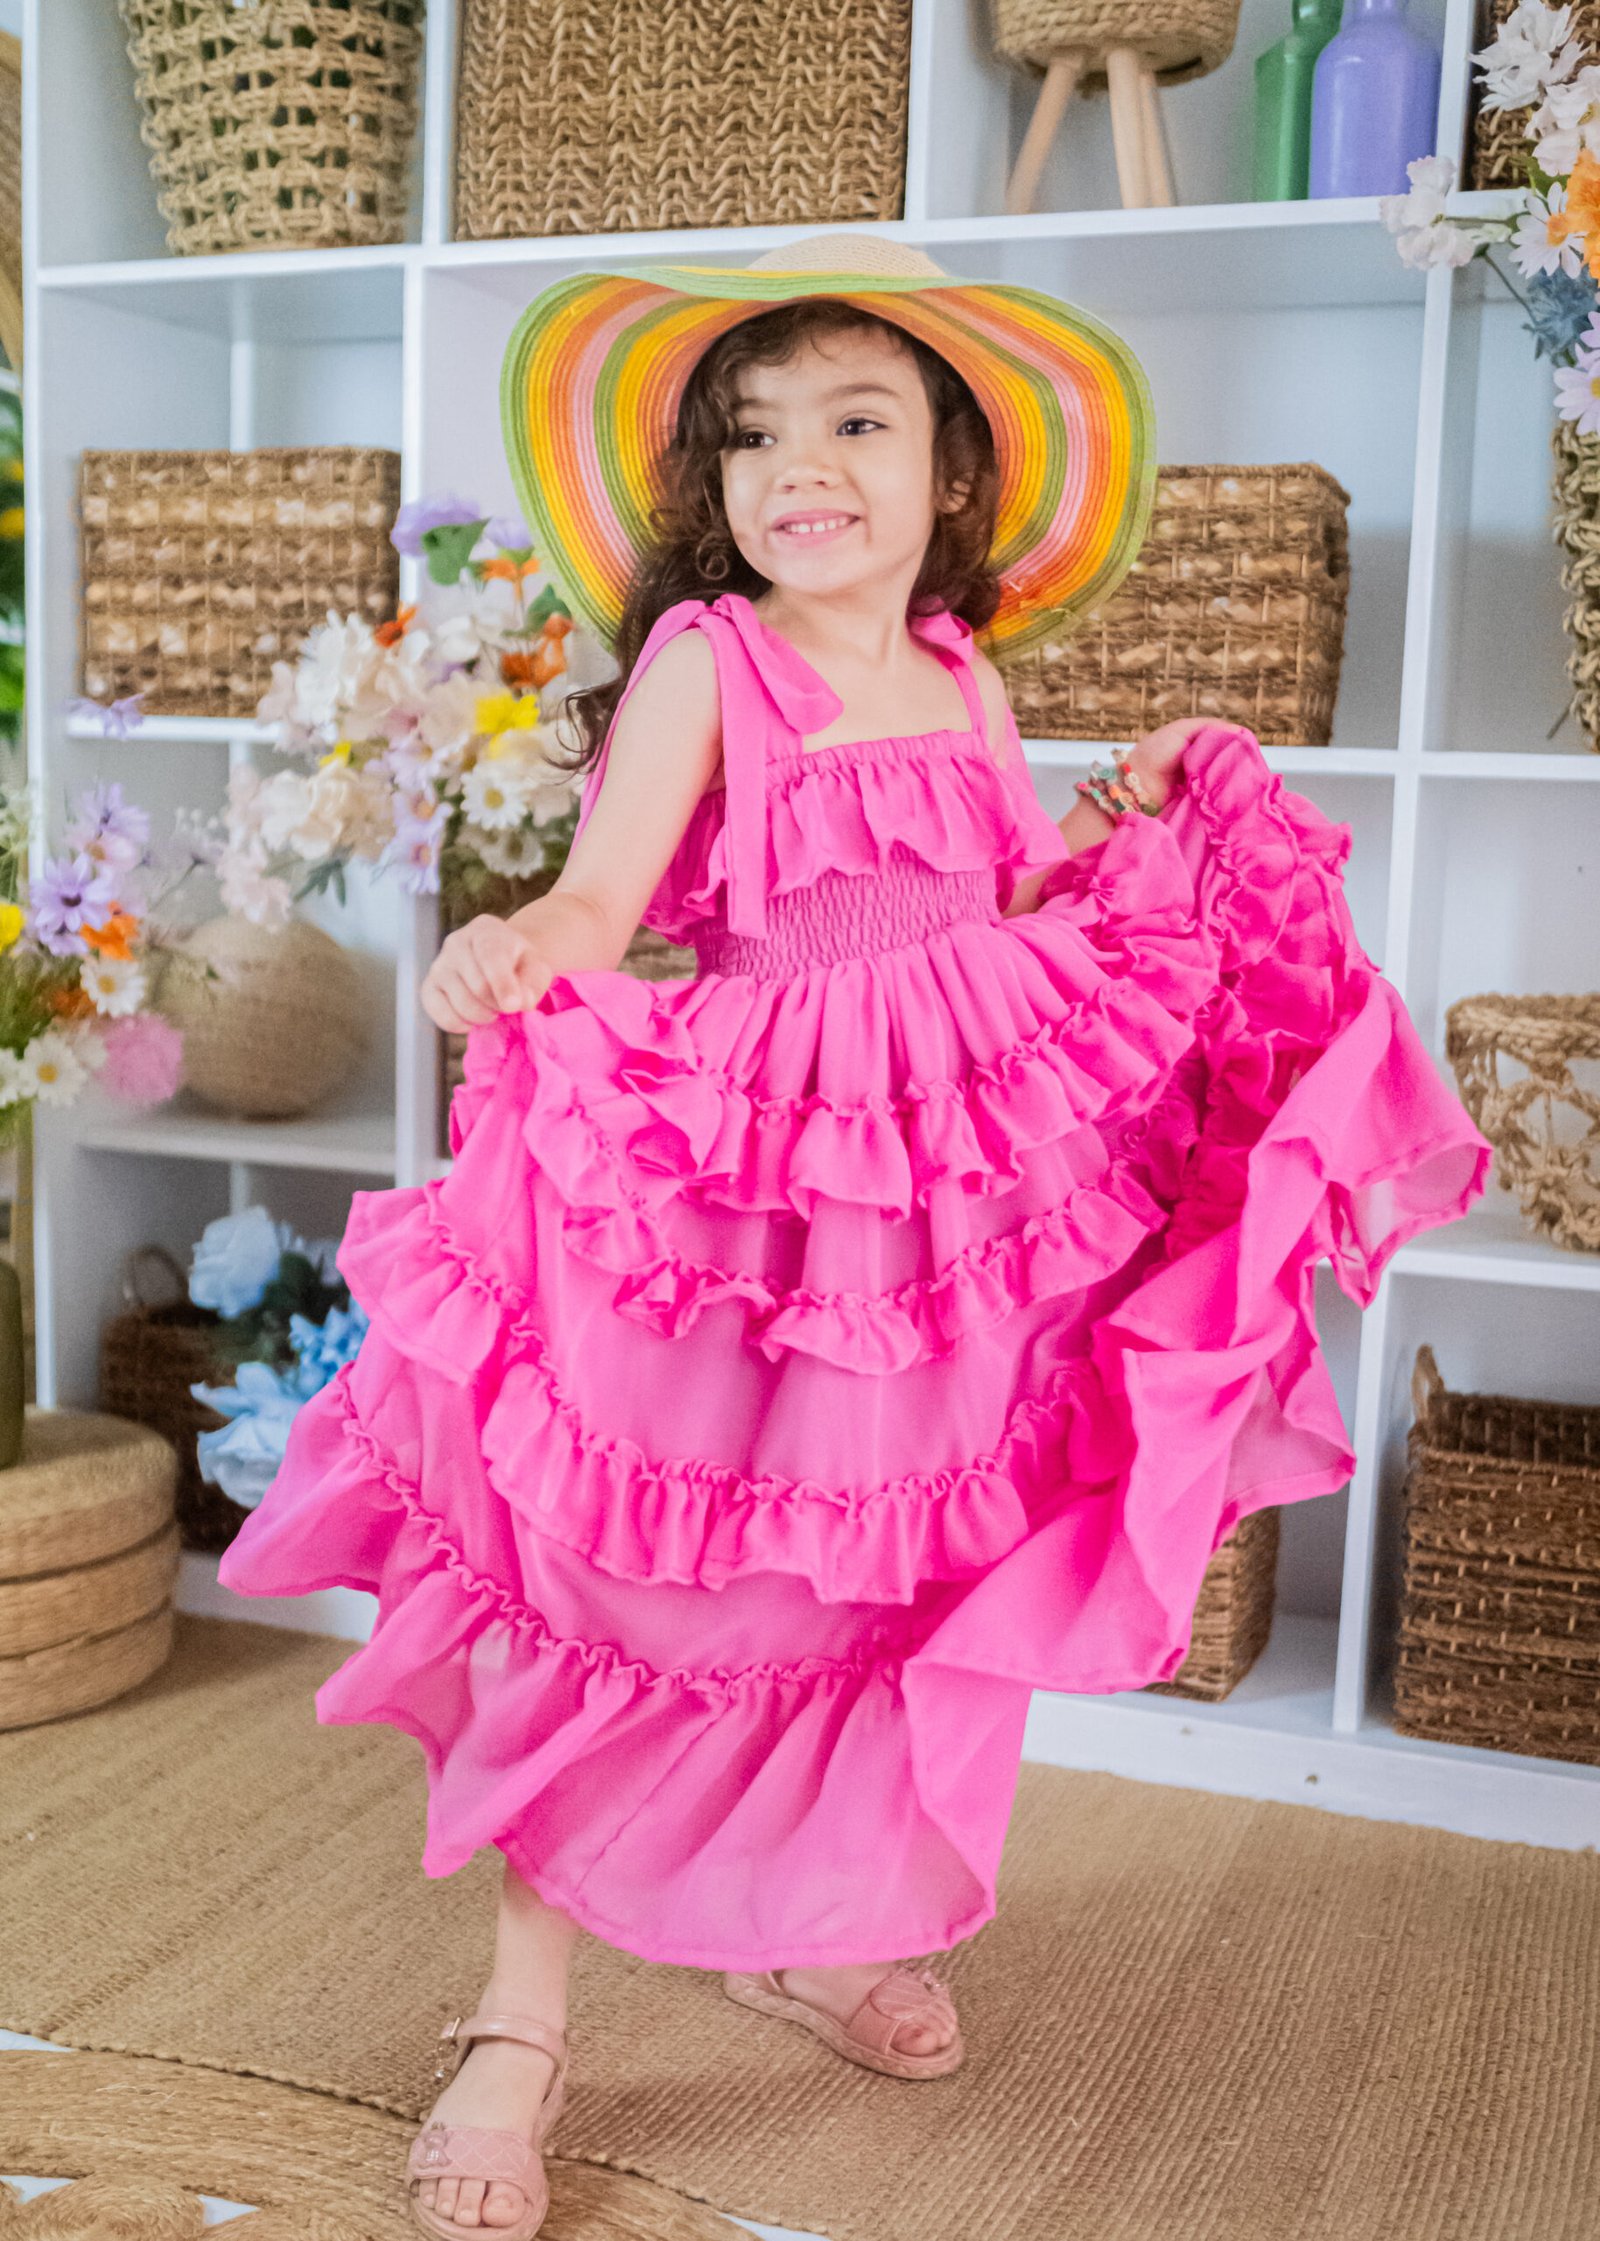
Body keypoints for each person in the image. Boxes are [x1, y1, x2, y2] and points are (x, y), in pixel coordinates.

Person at [217, 234, 1492, 2239]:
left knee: (878, 1584)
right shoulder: (709, 660)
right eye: (751, 435)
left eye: (854, 419)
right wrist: (519, 942)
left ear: (951, 470)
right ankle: (521, 2015)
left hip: (941, 1209)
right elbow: (604, 891)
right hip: (749, 1192)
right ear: (712, 489)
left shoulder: (964, 668)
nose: (796, 464)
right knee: (635, 1575)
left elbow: (1007, 899)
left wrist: (1127, 821)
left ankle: (810, 1934)